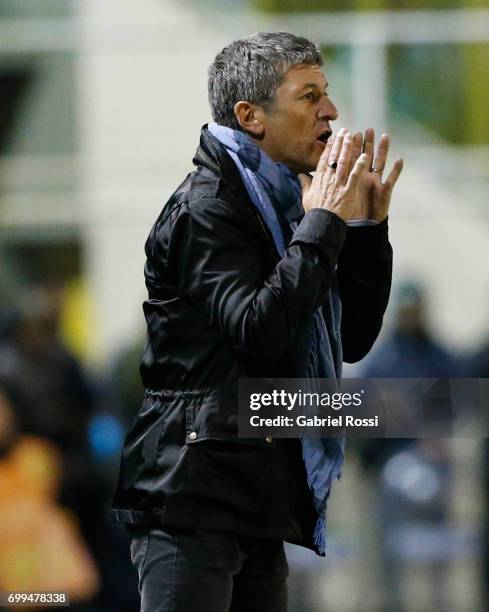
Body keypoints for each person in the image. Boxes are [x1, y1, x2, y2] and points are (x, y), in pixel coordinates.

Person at [111, 32, 403, 612]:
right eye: (309, 95)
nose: (331, 111)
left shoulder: (292, 206)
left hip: (259, 497)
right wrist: (322, 226)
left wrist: (365, 231)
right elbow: (258, 330)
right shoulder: (208, 206)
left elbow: (350, 339)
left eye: (328, 93)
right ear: (251, 116)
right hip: (191, 499)